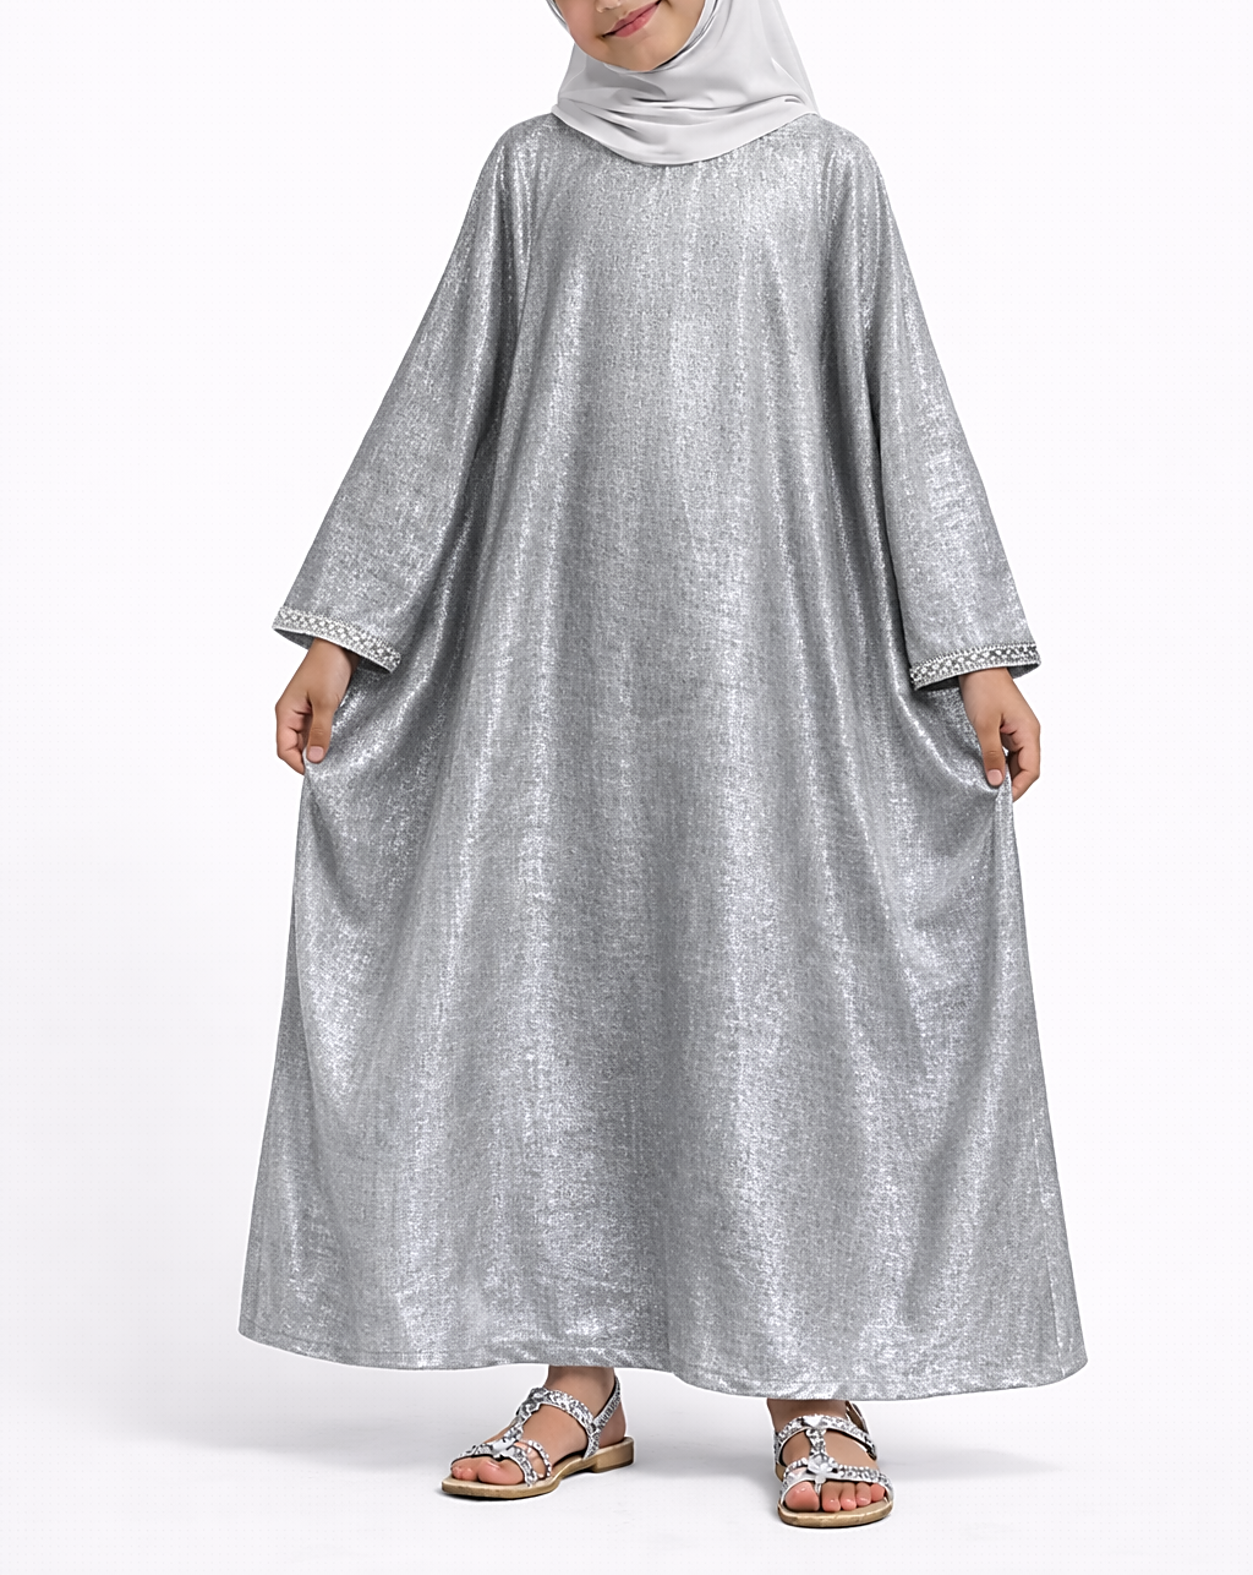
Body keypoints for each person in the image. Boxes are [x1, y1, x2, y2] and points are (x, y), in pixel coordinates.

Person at [240, 0, 1085, 1529]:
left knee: (776, 1000)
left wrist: (973, 656)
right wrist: (343, 638)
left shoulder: (822, 175)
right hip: (556, 673)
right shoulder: (534, 173)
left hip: (779, 679)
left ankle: (809, 1380)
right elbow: (443, 400)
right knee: (564, 992)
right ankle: (579, 1380)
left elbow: (904, 413)